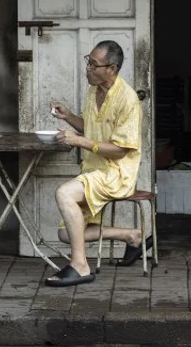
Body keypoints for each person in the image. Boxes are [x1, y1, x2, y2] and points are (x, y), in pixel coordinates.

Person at [45, 40, 149, 287]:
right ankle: (133, 236)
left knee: (64, 193)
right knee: (65, 233)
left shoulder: (127, 99)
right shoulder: (94, 91)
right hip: (94, 171)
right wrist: (68, 116)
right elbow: (92, 129)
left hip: (117, 173)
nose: (88, 69)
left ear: (111, 68)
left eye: (94, 65)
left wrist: (79, 142)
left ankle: (80, 266)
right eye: (88, 62)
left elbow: (120, 151)